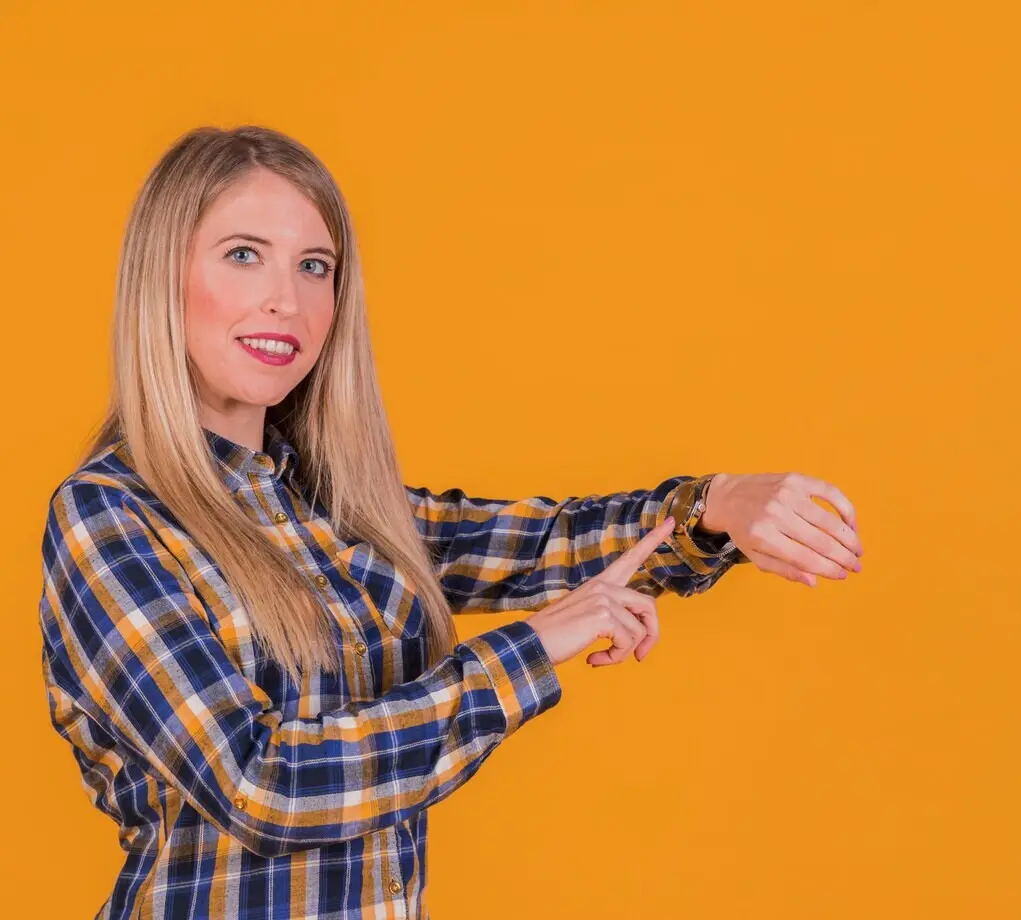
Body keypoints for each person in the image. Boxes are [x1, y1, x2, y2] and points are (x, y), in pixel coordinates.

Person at [37, 124, 864, 919]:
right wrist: (533, 648)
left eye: (315, 266)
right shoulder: (111, 513)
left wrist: (715, 504)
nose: (286, 300)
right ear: (162, 275)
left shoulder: (337, 509)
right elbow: (265, 789)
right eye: (244, 255)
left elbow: (548, 546)